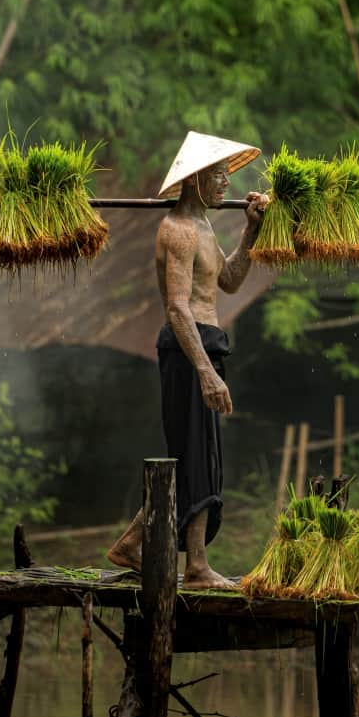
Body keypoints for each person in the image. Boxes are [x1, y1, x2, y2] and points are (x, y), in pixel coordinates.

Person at [107, 130, 267, 589]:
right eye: (217, 176)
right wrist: (204, 373)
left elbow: (231, 280)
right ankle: (192, 565)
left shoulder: (205, 228)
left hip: (207, 344)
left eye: (225, 176)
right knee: (192, 458)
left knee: (200, 459)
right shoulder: (176, 231)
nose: (225, 186)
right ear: (194, 180)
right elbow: (177, 307)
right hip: (186, 349)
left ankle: (149, 550)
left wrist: (253, 229)